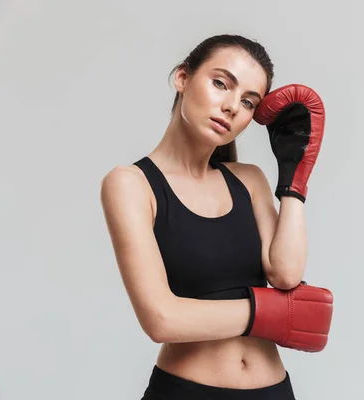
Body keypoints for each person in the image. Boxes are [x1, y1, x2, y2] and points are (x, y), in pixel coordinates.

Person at [100, 34, 333, 400]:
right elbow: (161, 319)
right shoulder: (131, 184)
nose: (231, 107)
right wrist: (273, 314)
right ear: (182, 78)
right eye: (220, 83)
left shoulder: (249, 178)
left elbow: (286, 274)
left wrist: (294, 180)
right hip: (187, 392)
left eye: (248, 101)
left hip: (273, 391)